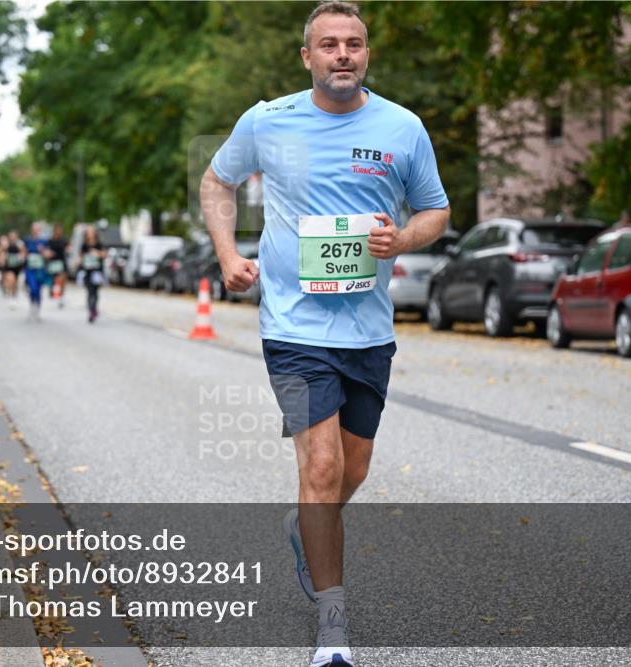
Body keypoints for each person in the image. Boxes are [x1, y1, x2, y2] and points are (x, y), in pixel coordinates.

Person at [200, 3, 451, 666]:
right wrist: (228, 255)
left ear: (366, 54)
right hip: (292, 325)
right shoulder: (268, 121)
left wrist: (403, 236)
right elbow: (217, 181)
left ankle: (304, 526)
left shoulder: (402, 128)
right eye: (329, 44)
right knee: (321, 465)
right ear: (305, 56)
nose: (343, 54)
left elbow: (436, 210)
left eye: (355, 44)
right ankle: (332, 628)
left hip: (368, 328)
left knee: (354, 468)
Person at [79, 226, 107, 323]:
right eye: (88, 232)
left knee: (95, 292)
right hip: (87, 271)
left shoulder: (99, 244)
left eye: (92, 232)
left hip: (97, 272)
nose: (90, 233)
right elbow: (81, 258)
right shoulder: (84, 245)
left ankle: (94, 308)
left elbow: (104, 255)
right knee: (89, 291)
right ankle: (91, 310)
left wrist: (96, 253)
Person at [23, 222, 48, 321]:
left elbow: (47, 254)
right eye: (34, 229)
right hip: (30, 268)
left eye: (37, 229)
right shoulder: (28, 240)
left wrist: (43, 251)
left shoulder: (44, 241)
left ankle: (37, 308)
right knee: (32, 288)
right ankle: (32, 306)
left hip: (40, 269)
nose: (35, 231)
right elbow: (24, 252)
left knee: (38, 289)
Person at [46, 223, 70, 308]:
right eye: (57, 230)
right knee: (55, 279)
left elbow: (69, 248)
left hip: (62, 261)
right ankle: (53, 292)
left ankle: (61, 296)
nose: (59, 232)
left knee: (62, 279)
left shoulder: (64, 240)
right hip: (53, 262)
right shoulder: (50, 241)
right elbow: (46, 250)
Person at [1, 230, 25, 301]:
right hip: (8, 266)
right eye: (11, 236)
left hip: (17, 266)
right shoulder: (6, 243)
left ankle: (14, 293)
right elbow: (1, 252)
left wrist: (21, 256)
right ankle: (10, 294)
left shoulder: (20, 244)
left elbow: (24, 253)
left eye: (14, 236)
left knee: (15, 281)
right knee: (11, 279)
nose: (12, 238)